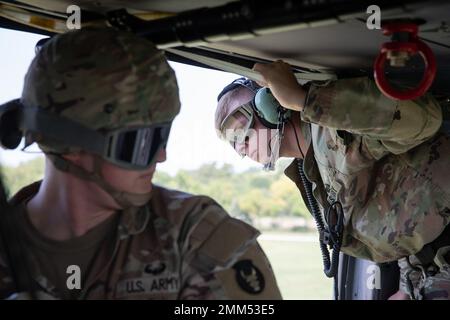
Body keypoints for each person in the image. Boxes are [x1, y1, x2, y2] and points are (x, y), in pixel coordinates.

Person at [0, 27, 282, 300]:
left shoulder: (196, 236)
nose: (161, 156)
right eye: (140, 143)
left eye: (163, 135)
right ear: (67, 143)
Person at [215, 60, 450, 300]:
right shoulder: (309, 171)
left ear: (270, 103)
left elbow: (424, 119)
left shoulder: (332, 128)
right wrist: (406, 284)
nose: (241, 147)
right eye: (232, 142)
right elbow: (394, 213)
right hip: (428, 263)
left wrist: (303, 100)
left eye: (239, 127)